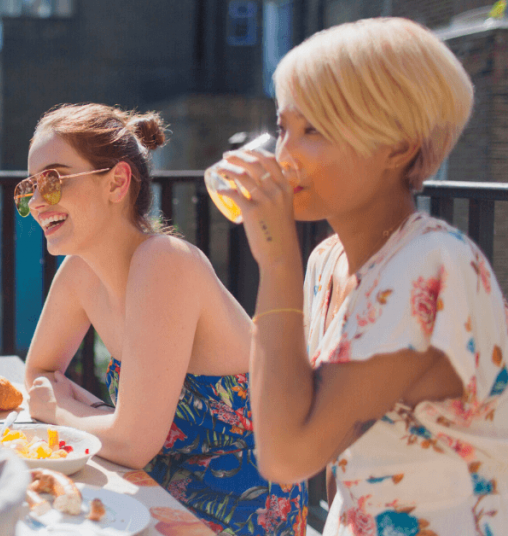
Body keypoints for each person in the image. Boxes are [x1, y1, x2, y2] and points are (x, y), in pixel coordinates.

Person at [216, 18, 508, 535]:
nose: (284, 155)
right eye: (285, 128)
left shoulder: (435, 265)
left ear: (397, 145)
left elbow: (287, 457)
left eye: (315, 130)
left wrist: (277, 262)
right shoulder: (327, 262)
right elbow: (335, 461)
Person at [21, 103, 306, 534]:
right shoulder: (81, 270)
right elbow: (38, 374)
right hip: (156, 491)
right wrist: (101, 417)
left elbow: (131, 443)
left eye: (54, 180)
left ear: (116, 182)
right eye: (31, 186)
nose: (39, 201)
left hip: (241, 511)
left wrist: (62, 410)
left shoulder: (165, 262)